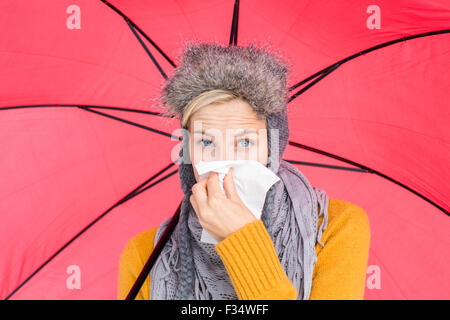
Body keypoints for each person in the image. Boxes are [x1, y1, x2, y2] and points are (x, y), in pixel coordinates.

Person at [117, 42, 370, 300]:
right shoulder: (145, 256)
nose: (225, 161)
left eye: (245, 142)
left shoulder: (334, 229)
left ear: (272, 148)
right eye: (206, 142)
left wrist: (241, 240)